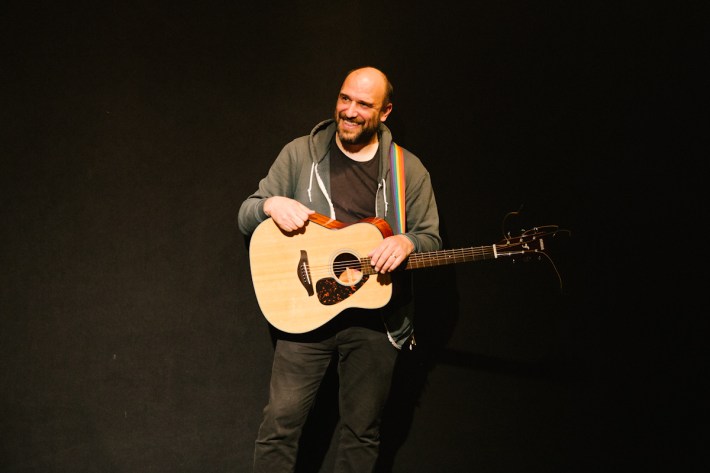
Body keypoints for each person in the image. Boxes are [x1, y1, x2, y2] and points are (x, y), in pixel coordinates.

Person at [238, 66, 441, 472]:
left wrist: (407, 242)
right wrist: (270, 205)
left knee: (362, 432)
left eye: (363, 104)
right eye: (345, 98)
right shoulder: (300, 154)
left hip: (376, 319)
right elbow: (246, 214)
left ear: (385, 112)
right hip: (305, 314)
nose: (349, 111)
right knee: (279, 426)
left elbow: (430, 239)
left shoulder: (408, 169)